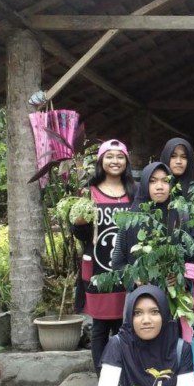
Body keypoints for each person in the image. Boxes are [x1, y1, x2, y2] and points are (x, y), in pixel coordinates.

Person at [71, 139, 135, 374]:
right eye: (109, 156)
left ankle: (120, 372)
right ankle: (102, 376)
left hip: (126, 267)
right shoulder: (89, 192)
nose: (115, 161)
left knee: (123, 324)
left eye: (120, 156)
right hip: (97, 266)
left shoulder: (134, 191)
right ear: (101, 161)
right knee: (99, 326)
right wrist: (78, 223)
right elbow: (80, 234)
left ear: (126, 161)